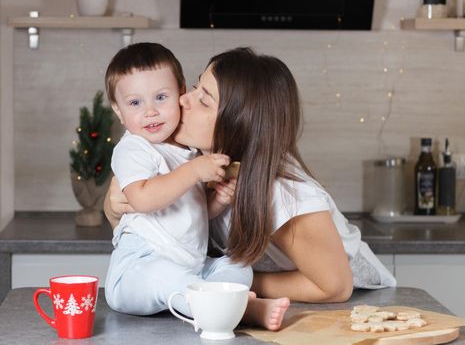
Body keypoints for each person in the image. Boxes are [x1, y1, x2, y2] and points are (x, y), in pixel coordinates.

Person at [105, 47, 396, 318]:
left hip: (356, 306)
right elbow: (160, 229)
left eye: (203, 99)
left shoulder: (282, 193)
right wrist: (113, 207)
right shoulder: (192, 160)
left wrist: (219, 283)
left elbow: (334, 286)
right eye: (194, 87)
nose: (182, 99)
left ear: (237, 124)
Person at [103, 42, 289, 331]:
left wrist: (216, 202)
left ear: (179, 94)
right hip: (138, 269)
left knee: (236, 265)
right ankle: (234, 310)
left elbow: (190, 213)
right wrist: (193, 172)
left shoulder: (186, 151)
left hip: (189, 268)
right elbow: (142, 200)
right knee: (164, 276)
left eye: (161, 97)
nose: (150, 112)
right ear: (118, 110)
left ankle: (230, 305)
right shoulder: (134, 149)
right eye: (135, 103)